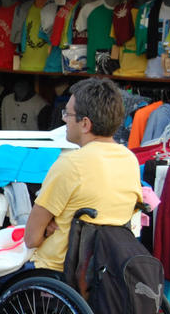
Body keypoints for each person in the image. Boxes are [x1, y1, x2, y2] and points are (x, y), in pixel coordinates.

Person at [25, 77, 142, 271]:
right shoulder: (129, 160)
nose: (64, 119)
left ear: (85, 124)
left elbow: (31, 238)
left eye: (68, 114)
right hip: (103, 268)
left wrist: (47, 227)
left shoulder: (70, 165)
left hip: (58, 269)